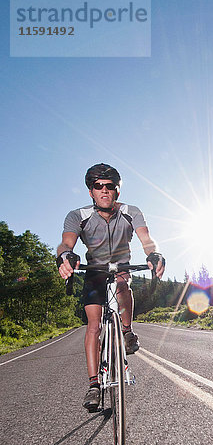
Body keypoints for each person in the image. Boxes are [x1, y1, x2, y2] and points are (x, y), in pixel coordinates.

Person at [57, 163, 165, 412]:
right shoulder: (78, 216)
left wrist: (154, 254)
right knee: (93, 325)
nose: (104, 191)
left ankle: (126, 331)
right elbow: (65, 243)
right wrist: (66, 257)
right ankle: (94, 385)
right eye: (98, 186)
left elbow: (146, 239)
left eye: (110, 187)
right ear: (91, 192)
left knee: (121, 282)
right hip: (94, 272)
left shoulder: (131, 211)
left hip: (121, 267)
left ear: (117, 191)